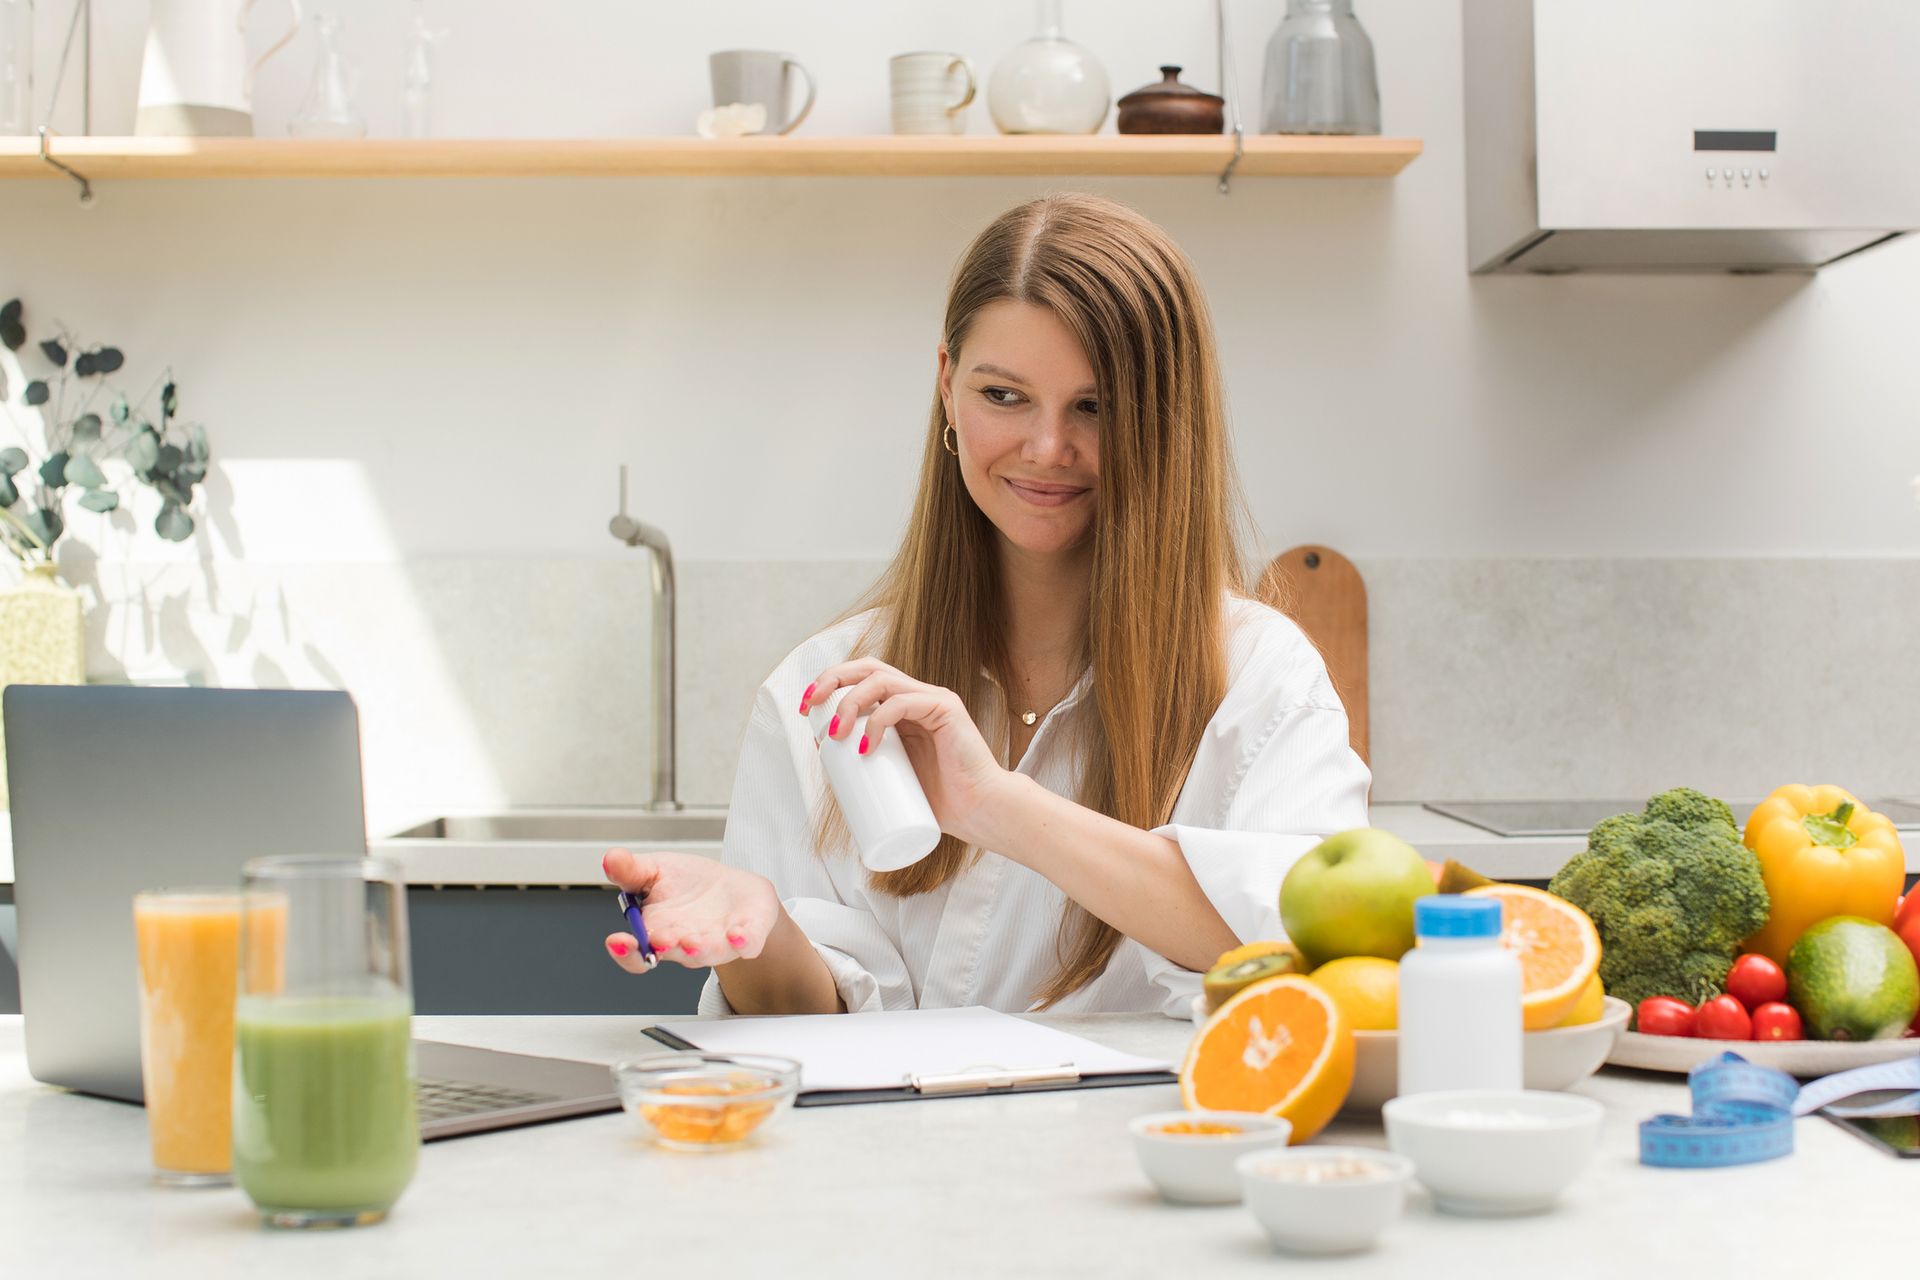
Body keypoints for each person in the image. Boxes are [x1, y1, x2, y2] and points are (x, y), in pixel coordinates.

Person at [602, 191, 1369, 1017]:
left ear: (1168, 421)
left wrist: (994, 805)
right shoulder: (823, 688)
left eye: (1096, 407)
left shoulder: (1263, 680)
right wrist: (755, 938)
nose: (1047, 449)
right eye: (1004, 396)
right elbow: (805, 1026)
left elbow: (1307, 951)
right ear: (946, 383)